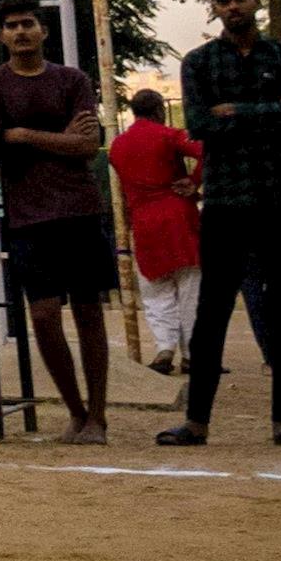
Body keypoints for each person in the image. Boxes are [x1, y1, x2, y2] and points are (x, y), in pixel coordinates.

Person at [161, 0, 281, 453]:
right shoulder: (200, 62)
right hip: (228, 199)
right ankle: (197, 422)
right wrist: (272, 109)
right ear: (215, 7)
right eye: (224, 0)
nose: (233, 6)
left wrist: (238, 111)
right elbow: (200, 124)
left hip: (280, 195)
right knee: (213, 310)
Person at [0, 0, 114, 440]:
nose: (20, 32)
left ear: (44, 30)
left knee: (89, 311)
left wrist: (25, 134)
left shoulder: (72, 80)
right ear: (1, 36)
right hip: (28, 216)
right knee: (44, 316)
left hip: (80, 209)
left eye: (28, 24)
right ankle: (74, 409)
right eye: (11, 26)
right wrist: (57, 138)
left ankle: (98, 415)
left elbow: (88, 146)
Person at [107, 93, 202, 375]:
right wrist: (194, 181)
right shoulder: (170, 135)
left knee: (155, 290)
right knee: (190, 287)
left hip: (143, 220)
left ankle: (164, 348)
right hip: (178, 215)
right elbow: (208, 150)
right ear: (160, 110)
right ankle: (192, 353)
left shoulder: (117, 146)